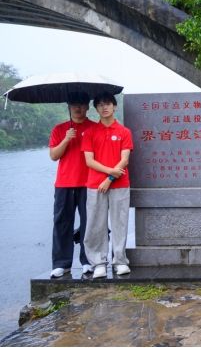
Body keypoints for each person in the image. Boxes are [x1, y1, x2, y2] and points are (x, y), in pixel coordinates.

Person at [82, 92, 134, 279]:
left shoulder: (124, 132)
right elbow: (89, 161)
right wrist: (109, 172)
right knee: (96, 224)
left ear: (114, 106)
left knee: (120, 222)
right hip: (95, 185)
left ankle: (120, 261)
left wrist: (109, 178)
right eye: (100, 105)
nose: (104, 107)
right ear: (96, 108)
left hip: (119, 184)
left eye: (108, 104)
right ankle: (98, 263)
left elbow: (125, 159)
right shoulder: (90, 132)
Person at [48, 92, 96, 278]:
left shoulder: (95, 128)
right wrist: (66, 139)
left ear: (87, 107)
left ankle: (88, 261)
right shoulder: (60, 129)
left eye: (82, 104)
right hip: (64, 183)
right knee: (62, 223)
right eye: (74, 104)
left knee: (89, 223)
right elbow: (54, 156)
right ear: (69, 106)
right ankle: (62, 264)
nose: (78, 108)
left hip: (89, 183)